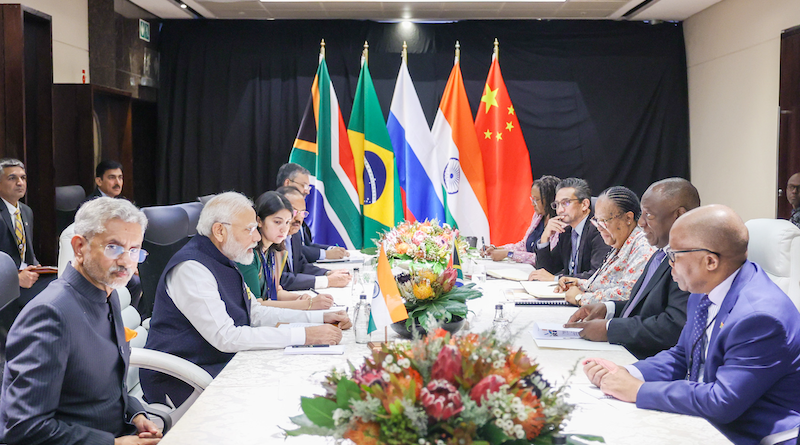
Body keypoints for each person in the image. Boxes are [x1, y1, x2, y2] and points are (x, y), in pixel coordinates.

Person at [582, 205, 800, 445]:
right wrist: (628, 373)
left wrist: (638, 390)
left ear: (710, 261)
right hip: (709, 419)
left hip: (751, 433)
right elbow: (682, 355)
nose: (669, 263)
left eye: (674, 255)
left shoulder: (760, 318)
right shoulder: (705, 287)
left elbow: (723, 402)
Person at [141, 192, 351, 407]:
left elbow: (255, 312)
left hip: (215, 365)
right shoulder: (192, 269)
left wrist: (318, 318)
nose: (257, 237)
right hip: (182, 379)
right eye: (249, 229)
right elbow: (227, 337)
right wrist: (304, 335)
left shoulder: (224, 259)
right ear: (220, 231)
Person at [0, 197, 162, 445]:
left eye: (134, 250)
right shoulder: (50, 314)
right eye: (113, 247)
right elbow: (24, 429)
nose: (126, 262)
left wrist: (136, 413)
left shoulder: (108, 293)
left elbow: (107, 381)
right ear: (79, 247)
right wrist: (115, 444)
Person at [565, 178, 699, 358]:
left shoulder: (689, 261)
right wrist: (608, 308)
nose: (641, 223)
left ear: (679, 215)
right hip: (631, 349)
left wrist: (609, 328)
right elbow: (644, 308)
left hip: (648, 358)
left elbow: (672, 327)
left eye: (649, 215)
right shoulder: (660, 254)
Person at [556, 186, 655, 306]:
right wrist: (578, 283)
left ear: (628, 218)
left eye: (604, 220)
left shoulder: (643, 246)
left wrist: (580, 297)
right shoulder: (621, 242)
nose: (599, 227)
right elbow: (608, 283)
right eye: (597, 220)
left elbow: (628, 293)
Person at [236, 191, 334, 310]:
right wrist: (306, 305)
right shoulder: (248, 254)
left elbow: (277, 292)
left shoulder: (275, 252)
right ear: (259, 221)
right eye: (277, 222)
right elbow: (256, 305)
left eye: (287, 222)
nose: (284, 229)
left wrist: (301, 298)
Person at [0, 159, 56, 356]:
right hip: (6, 285)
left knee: (63, 282)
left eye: (23, 178)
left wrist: (38, 267)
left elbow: (27, 253)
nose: (20, 183)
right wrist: (15, 277)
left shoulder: (26, 211)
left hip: (28, 277)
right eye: (12, 178)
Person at [529, 178, 612, 281]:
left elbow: (597, 275)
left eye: (566, 203)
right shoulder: (566, 232)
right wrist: (544, 238)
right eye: (557, 204)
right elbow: (547, 271)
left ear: (584, 204)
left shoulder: (599, 231)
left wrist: (556, 279)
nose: (559, 210)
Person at [277, 186, 351, 291]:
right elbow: (281, 280)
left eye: (302, 213)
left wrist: (328, 273)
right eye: (294, 212)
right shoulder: (272, 239)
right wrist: (327, 281)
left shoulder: (295, 235)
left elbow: (301, 266)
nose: (298, 218)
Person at [277, 162, 348, 261]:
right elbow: (294, 250)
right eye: (303, 185)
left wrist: (330, 250)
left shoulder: (298, 217)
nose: (307, 191)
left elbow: (306, 245)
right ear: (287, 183)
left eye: (301, 212)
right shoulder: (276, 211)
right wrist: (326, 254)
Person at [483, 175, 560, 264]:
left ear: (550, 200)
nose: (533, 204)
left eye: (537, 200)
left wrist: (509, 254)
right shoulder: (538, 216)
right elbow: (524, 245)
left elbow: (545, 258)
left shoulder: (560, 225)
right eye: (532, 199)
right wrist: (497, 249)